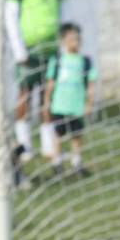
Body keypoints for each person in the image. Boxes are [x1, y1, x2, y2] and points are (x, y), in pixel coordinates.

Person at [5, 0, 65, 162]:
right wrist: (18, 48)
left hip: (50, 48)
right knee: (25, 94)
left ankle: (49, 145)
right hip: (28, 48)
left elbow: (62, 8)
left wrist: (62, 40)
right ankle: (24, 145)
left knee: (48, 96)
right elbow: (10, 15)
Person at [42, 23, 98, 178]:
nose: (75, 41)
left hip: (77, 105)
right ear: (63, 40)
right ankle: (57, 163)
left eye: (77, 38)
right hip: (60, 105)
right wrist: (47, 101)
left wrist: (89, 103)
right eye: (71, 38)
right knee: (58, 134)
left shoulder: (85, 61)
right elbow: (50, 82)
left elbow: (91, 84)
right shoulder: (58, 60)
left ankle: (76, 162)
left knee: (76, 135)